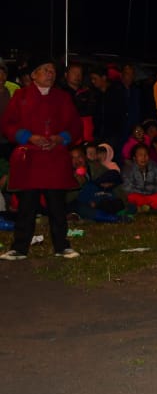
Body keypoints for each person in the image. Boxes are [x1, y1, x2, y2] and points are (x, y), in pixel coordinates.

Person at [0, 56, 83, 260]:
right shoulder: (21, 96)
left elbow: (75, 126)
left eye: (52, 70)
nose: (50, 73)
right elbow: (8, 124)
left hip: (54, 159)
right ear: (34, 75)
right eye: (45, 69)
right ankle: (20, 247)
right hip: (31, 160)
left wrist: (60, 139)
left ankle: (62, 246)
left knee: (57, 206)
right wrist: (29, 137)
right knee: (27, 206)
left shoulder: (62, 97)